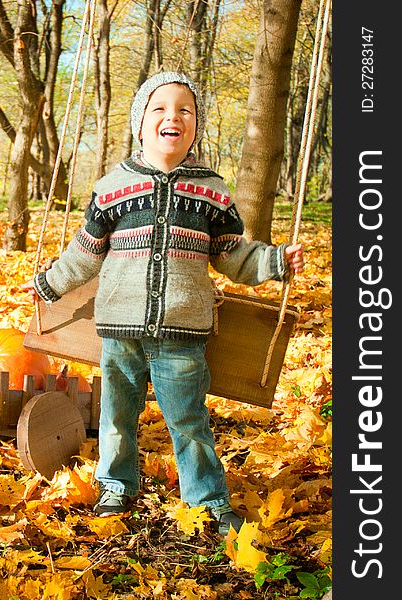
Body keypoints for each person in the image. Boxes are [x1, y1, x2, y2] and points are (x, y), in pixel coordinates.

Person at [22, 71, 304, 536]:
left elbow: (233, 254)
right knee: (115, 415)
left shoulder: (211, 189)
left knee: (189, 419)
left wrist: (274, 261)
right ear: (140, 123)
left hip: (183, 330)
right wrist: (48, 284)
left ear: (195, 126)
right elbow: (84, 254)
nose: (172, 116)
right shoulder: (112, 187)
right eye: (159, 108)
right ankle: (116, 483)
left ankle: (208, 499)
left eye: (185, 110)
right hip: (120, 329)